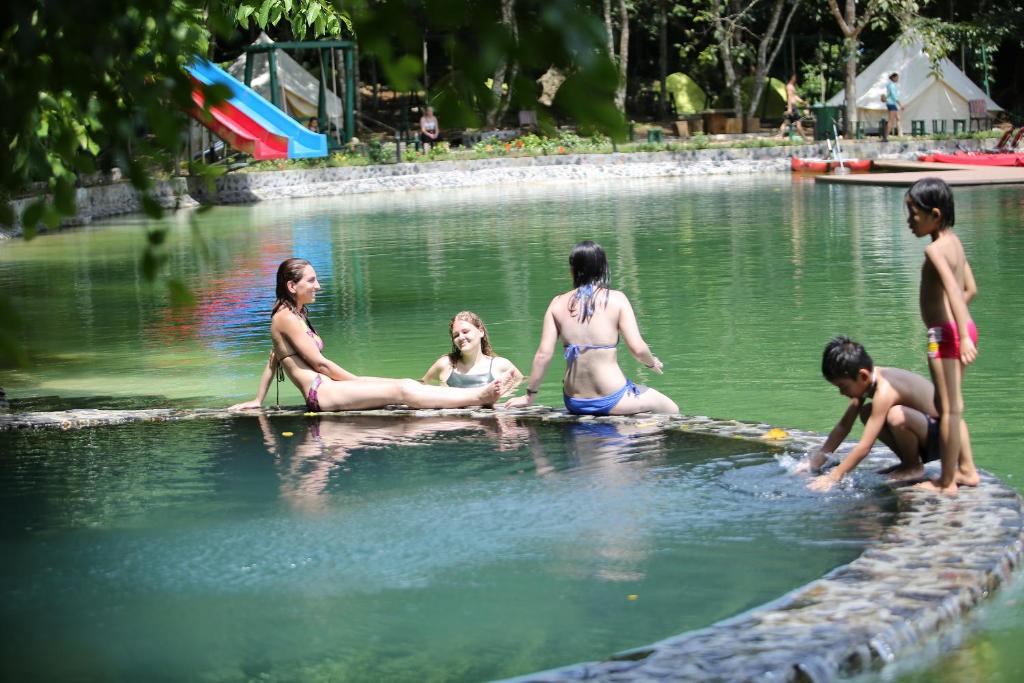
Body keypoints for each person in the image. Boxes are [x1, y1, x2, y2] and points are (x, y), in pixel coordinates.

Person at [228, 259, 506, 412]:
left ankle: (468, 396)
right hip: (321, 393)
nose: (318, 286)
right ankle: (476, 398)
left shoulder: (296, 314)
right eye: (311, 280)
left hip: (329, 388)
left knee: (404, 383)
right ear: (292, 285)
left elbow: (273, 358)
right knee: (402, 391)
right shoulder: (285, 318)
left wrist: (257, 400)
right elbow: (320, 364)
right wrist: (359, 381)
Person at [505, 241, 679, 416]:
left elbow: (543, 355)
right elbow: (638, 348)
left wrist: (529, 397)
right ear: (603, 268)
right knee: (670, 409)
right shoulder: (617, 299)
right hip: (612, 398)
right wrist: (651, 363)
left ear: (572, 270)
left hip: (574, 401)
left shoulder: (556, 304)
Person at [906, 177, 980, 494]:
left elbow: (953, 289)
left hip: (947, 336)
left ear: (935, 214)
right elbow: (970, 289)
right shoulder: (955, 242)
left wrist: (957, 332)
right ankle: (966, 469)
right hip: (955, 330)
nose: (909, 221)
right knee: (949, 405)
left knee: (948, 409)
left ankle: (947, 482)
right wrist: (960, 325)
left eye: (914, 214)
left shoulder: (935, 250)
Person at [805, 336, 949, 491]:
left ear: (863, 376)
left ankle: (912, 467)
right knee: (867, 412)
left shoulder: (885, 390)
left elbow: (865, 446)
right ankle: (907, 462)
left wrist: (833, 477)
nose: (841, 393)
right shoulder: (866, 382)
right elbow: (843, 427)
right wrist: (816, 461)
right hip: (924, 433)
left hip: (941, 438)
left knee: (897, 415)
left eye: (844, 387)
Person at [421, 311, 523, 393]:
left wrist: (507, 393)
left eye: (465, 332)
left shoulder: (501, 365)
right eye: (456, 335)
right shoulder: (445, 364)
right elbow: (421, 385)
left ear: (481, 331)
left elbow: (523, 383)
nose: (461, 337)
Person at [778, 74, 808, 138]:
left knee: (786, 122)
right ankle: (804, 138)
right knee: (798, 122)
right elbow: (789, 97)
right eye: (794, 76)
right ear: (791, 77)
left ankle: (780, 136)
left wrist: (802, 102)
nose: (795, 78)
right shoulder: (789, 86)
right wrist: (790, 108)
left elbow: (794, 96)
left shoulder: (791, 86)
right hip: (791, 106)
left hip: (792, 106)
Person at [885, 72, 901, 137]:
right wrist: (900, 104)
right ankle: (886, 135)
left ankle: (900, 133)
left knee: (898, 118)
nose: (897, 79)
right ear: (893, 78)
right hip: (891, 103)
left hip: (892, 103)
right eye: (897, 78)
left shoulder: (890, 85)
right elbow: (894, 96)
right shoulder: (891, 85)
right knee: (891, 120)